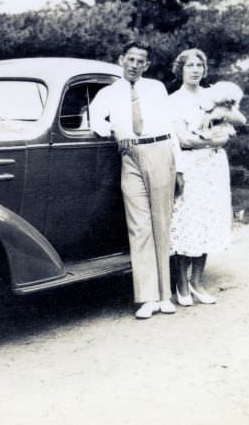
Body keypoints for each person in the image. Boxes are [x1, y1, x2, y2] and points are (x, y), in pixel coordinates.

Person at [89, 41, 185, 319]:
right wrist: (115, 128)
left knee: (161, 224)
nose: (133, 65)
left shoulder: (156, 88)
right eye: (130, 59)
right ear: (121, 59)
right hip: (129, 155)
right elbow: (92, 119)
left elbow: (170, 127)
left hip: (160, 150)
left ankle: (165, 295)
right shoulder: (109, 92)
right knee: (139, 226)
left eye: (140, 61)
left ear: (147, 65)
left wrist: (179, 168)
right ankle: (146, 298)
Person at [168, 48, 246, 306]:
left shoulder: (213, 94)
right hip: (190, 165)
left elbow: (240, 120)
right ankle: (181, 284)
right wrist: (214, 140)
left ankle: (197, 282)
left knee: (207, 220)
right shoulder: (174, 100)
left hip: (213, 167)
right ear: (180, 68)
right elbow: (183, 139)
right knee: (186, 220)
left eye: (199, 65)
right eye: (189, 65)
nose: (195, 70)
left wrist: (220, 115)